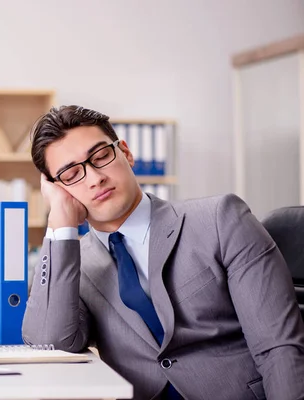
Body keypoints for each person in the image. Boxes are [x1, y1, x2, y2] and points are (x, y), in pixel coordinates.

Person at [21, 105, 304, 400]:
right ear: (58, 189)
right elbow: (51, 345)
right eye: (71, 174)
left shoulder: (220, 219)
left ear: (126, 153)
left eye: (101, 156)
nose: (94, 178)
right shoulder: (75, 266)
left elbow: (279, 348)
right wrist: (60, 223)